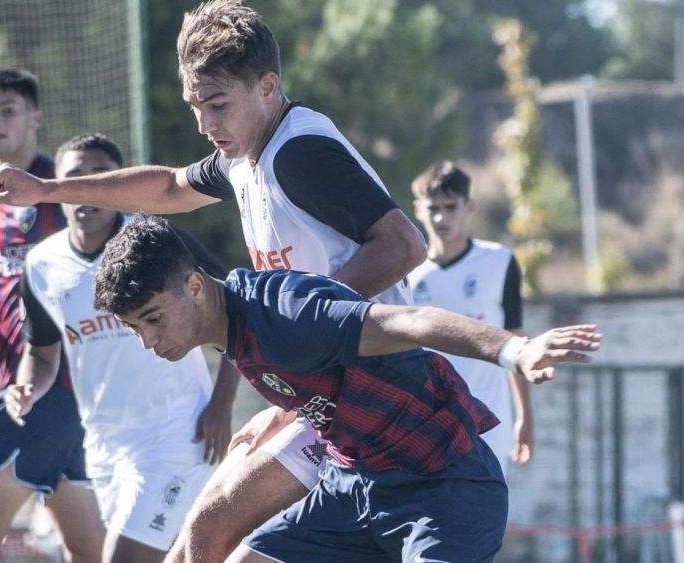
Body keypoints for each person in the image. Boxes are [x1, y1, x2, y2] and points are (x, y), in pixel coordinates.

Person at [0, 2, 426, 558]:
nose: (205, 125)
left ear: (267, 87)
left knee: (214, 533)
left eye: (217, 105)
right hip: (320, 394)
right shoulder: (245, 156)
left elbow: (404, 245)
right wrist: (47, 191)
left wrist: (300, 324)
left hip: (372, 388)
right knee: (205, 536)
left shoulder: (299, 152)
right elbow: (168, 188)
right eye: (195, 107)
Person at [91, 215, 603, 562]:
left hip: (443, 489)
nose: (147, 341)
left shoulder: (288, 314)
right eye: (134, 328)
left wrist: (514, 350)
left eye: (153, 319)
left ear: (194, 287)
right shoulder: (231, 328)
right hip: (354, 486)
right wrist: (275, 416)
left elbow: (413, 321)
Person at [2, 133, 240, 563]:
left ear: (117, 182)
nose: (88, 186)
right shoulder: (41, 265)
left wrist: (221, 405)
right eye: (76, 175)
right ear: (59, 184)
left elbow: (235, 307)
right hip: (104, 445)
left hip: (177, 434)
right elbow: (41, 354)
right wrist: (26, 388)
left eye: (101, 174)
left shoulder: (156, 241)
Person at [0, 69, 102, 563]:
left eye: (7, 110)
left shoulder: (61, 188)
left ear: (36, 118)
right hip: (32, 385)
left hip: (46, 388)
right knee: (90, 551)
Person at [408, 162, 534, 473]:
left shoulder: (499, 261)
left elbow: (515, 340)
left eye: (450, 207)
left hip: (489, 422)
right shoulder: (407, 272)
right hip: (427, 426)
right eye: (433, 208)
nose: (441, 218)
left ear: (469, 207)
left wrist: (525, 416)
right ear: (418, 209)